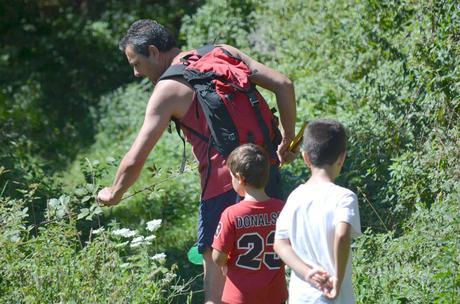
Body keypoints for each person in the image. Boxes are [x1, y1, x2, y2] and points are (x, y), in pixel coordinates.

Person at [96, 19, 297, 303]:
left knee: (216, 285)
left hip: (221, 189)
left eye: (136, 63)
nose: (136, 73)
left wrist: (113, 193)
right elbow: (284, 84)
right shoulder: (222, 52)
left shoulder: (168, 90)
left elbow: (135, 158)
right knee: (271, 270)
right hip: (266, 176)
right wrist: (286, 140)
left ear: (154, 51)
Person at [274, 119, 362, 303]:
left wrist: (308, 273)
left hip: (302, 296)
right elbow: (342, 235)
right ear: (342, 158)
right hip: (335, 298)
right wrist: (336, 279)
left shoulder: (295, 196)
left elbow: (280, 244)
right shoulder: (344, 197)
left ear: (306, 157)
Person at [211, 144, 287, 303]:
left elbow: (218, 257)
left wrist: (225, 263)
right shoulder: (283, 209)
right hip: (275, 295)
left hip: (239, 297)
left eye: (231, 176)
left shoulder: (231, 214)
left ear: (239, 178)